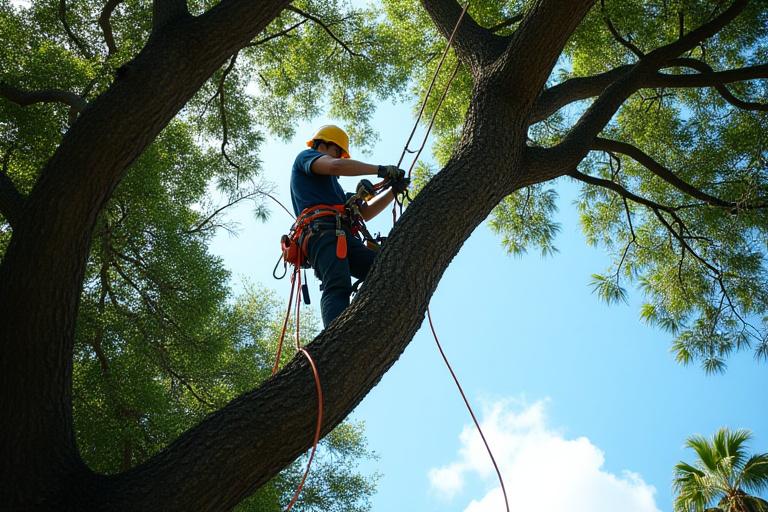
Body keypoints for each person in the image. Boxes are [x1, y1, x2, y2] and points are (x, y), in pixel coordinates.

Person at [290, 124, 408, 327]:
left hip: (341, 235)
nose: (339, 158)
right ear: (324, 145)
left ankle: (366, 326)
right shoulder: (306, 157)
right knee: (337, 284)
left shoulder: (335, 191)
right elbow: (336, 166)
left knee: (382, 269)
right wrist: (380, 170)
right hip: (321, 232)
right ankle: (335, 336)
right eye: (338, 152)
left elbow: (365, 213)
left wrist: (393, 191)